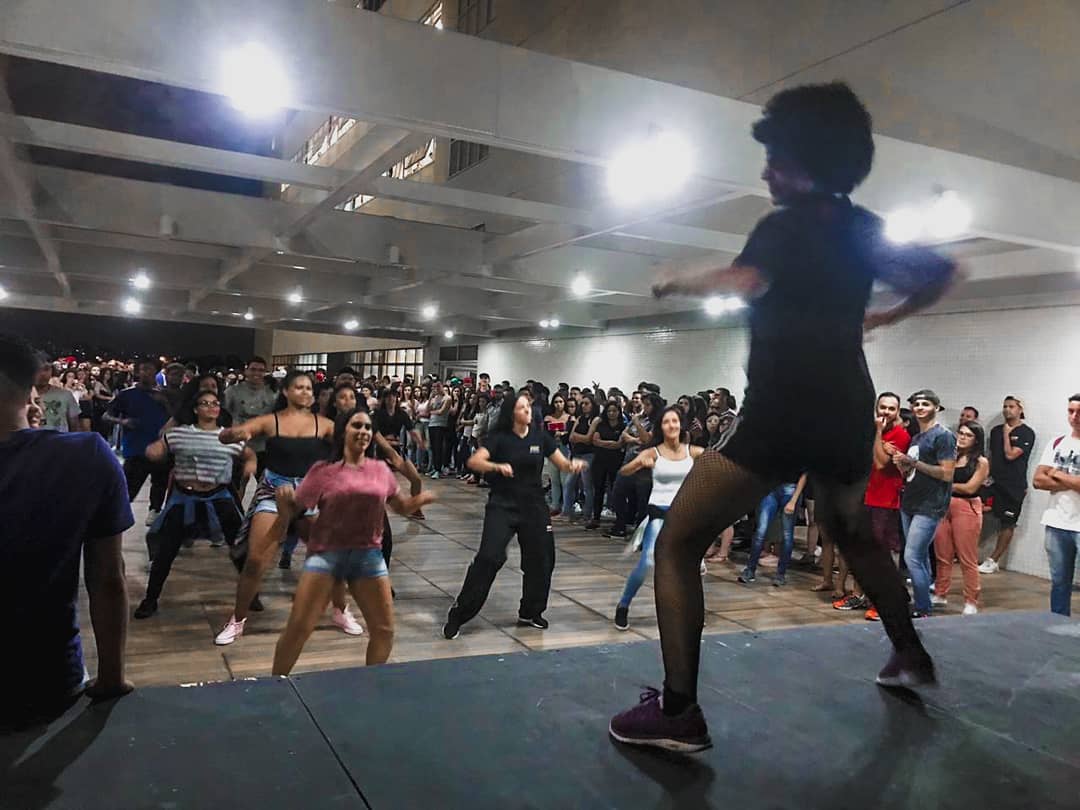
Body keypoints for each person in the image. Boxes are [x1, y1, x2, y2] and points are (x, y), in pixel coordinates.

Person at [609, 82, 957, 753]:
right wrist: (888, 315)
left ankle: (678, 710)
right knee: (852, 532)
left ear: (811, 161)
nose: (766, 170)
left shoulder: (784, 225)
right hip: (849, 408)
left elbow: (746, 281)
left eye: (777, 158)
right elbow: (942, 271)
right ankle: (910, 652)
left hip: (781, 409)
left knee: (679, 542)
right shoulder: (863, 228)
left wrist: (676, 280)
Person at [0, 334, 133, 726]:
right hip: (44, 680)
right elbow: (107, 579)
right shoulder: (86, 457)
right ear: (30, 391)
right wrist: (111, 679)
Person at [271, 408, 435, 674]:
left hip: (368, 555)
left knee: (384, 631)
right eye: (357, 425)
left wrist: (421, 498)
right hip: (326, 554)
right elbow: (293, 513)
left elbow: (401, 507)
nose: (364, 432)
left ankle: (371, 687)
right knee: (299, 627)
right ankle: (276, 684)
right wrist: (282, 503)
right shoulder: (323, 471)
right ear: (342, 431)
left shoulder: (380, 469)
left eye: (368, 427)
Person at [443, 393, 585, 639]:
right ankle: (459, 613)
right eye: (521, 407)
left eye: (528, 406)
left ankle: (531, 611)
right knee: (489, 557)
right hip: (503, 504)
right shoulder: (499, 438)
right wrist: (496, 467)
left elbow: (561, 462)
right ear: (511, 413)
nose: (527, 410)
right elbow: (475, 461)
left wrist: (572, 466)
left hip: (534, 507)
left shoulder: (540, 437)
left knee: (542, 559)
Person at [134, 388, 254, 618]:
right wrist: (155, 450)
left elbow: (249, 454)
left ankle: (251, 594)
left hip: (219, 497)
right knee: (165, 551)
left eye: (215, 403)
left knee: (239, 549)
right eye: (205, 403)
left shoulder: (228, 436)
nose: (211, 407)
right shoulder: (179, 434)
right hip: (185, 498)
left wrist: (250, 464)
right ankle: (150, 599)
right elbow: (160, 446)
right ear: (196, 409)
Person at [614, 407, 704, 631]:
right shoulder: (653, 452)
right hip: (659, 516)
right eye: (666, 422)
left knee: (688, 568)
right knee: (648, 562)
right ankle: (623, 605)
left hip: (684, 518)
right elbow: (624, 471)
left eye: (675, 421)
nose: (671, 425)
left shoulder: (693, 452)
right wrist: (638, 464)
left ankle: (690, 611)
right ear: (661, 427)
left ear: (680, 425)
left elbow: (721, 462)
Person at [835, 392, 910, 618]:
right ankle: (861, 595)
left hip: (885, 502)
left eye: (891, 409)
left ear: (897, 412)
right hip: (865, 497)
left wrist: (877, 433)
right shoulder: (871, 433)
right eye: (882, 407)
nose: (885, 412)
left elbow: (880, 463)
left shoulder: (900, 434)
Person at [893, 390, 957, 618]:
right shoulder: (917, 438)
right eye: (916, 404)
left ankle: (922, 607)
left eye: (925, 404)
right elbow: (911, 472)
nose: (920, 407)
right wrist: (903, 463)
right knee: (917, 557)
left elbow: (946, 474)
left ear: (936, 408)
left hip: (930, 505)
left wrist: (914, 463)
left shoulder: (944, 436)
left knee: (911, 556)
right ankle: (924, 603)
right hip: (910, 501)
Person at [104, 359, 171, 527]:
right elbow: (106, 415)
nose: (145, 373)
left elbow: (176, 417)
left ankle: (155, 511)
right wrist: (123, 422)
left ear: (156, 372)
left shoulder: (164, 395)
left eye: (149, 369)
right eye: (142, 369)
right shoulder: (127, 394)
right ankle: (115, 518)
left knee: (159, 484)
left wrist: (165, 403)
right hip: (135, 449)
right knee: (128, 490)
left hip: (161, 448)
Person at [932, 420, 988, 615]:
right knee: (942, 554)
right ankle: (940, 593)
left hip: (966, 507)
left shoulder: (980, 462)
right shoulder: (948, 456)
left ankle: (971, 600)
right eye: (961, 433)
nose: (962, 437)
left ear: (976, 440)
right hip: (943, 506)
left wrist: (944, 484)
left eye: (968, 435)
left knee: (967, 557)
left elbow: (970, 487)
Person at [1032, 395, 1080, 616]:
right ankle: (1058, 624)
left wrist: (1057, 474)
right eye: (1070, 411)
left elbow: (1049, 475)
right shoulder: (1057, 442)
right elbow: (1038, 480)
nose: (1074, 417)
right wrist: (1071, 481)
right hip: (1057, 521)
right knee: (1060, 581)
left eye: (1079, 412)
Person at [979, 396, 1036, 573]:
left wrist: (1006, 433)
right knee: (976, 511)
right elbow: (991, 455)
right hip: (993, 483)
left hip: (1013, 486)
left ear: (1020, 409)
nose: (1007, 410)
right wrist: (983, 476)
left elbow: (1010, 455)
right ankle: (964, 551)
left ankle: (994, 560)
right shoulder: (995, 431)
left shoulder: (1027, 432)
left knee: (1007, 522)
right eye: (1005, 406)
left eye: (1011, 406)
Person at [738, 474, 807, 587]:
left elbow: (804, 475)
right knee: (761, 530)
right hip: (770, 488)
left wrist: (794, 500)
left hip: (790, 489)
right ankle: (750, 570)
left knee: (787, 534)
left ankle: (780, 574)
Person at [224, 356, 276, 484]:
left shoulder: (272, 394)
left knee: (265, 485)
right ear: (246, 371)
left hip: (263, 446)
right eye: (253, 369)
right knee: (236, 484)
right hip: (239, 445)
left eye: (261, 370)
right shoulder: (233, 392)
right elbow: (224, 415)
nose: (257, 373)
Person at [589, 399, 626, 530]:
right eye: (609, 411)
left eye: (614, 411)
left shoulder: (623, 426)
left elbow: (620, 444)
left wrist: (605, 443)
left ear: (619, 412)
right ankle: (596, 517)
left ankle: (618, 517)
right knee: (598, 489)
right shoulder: (601, 425)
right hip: (599, 461)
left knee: (616, 490)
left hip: (616, 462)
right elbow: (595, 441)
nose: (611, 413)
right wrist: (611, 444)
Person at [562, 392, 598, 522]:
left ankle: (587, 514)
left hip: (589, 455)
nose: (583, 406)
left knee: (587, 486)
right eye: (582, 403)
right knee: (568, 483)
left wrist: (579, 437)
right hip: (576, 454)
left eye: (587, 403)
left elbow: (589, 439)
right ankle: (566, 512)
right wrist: (579, 438)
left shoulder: (595, 419)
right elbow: (571, 437)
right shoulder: (580, 418)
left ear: (593, 405)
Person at [36, 360, 80, 432]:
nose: (43, 374)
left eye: (46, 369)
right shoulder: (19, 397)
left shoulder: (65, 395)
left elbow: (74, 425)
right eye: (38, 369)